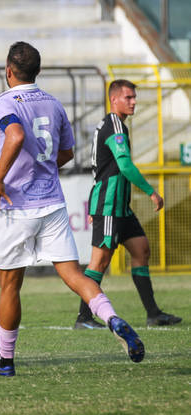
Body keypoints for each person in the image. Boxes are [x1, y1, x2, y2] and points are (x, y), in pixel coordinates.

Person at [0, 42, 144, 377]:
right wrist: (40, 168)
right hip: (53, 203)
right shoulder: (53, 103)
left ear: (9, 71)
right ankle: (111, 317)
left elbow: (14, 135)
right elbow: (67, 153)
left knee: (10, 285)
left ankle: (7, 361)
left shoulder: (5, 102)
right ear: (37, 72)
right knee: (72, 274)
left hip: (18, 204)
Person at [74, 80, 182, 329]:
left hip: (121, 206)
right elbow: (124, 166)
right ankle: (84, 317)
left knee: (141, 249)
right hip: (109, 205)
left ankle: (153, 313)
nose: (134, 102)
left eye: (134, 97)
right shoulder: (114, 126)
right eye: (128, 98)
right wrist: (151, 192)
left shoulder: (116, 125)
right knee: (99, 262)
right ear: (114, 99)